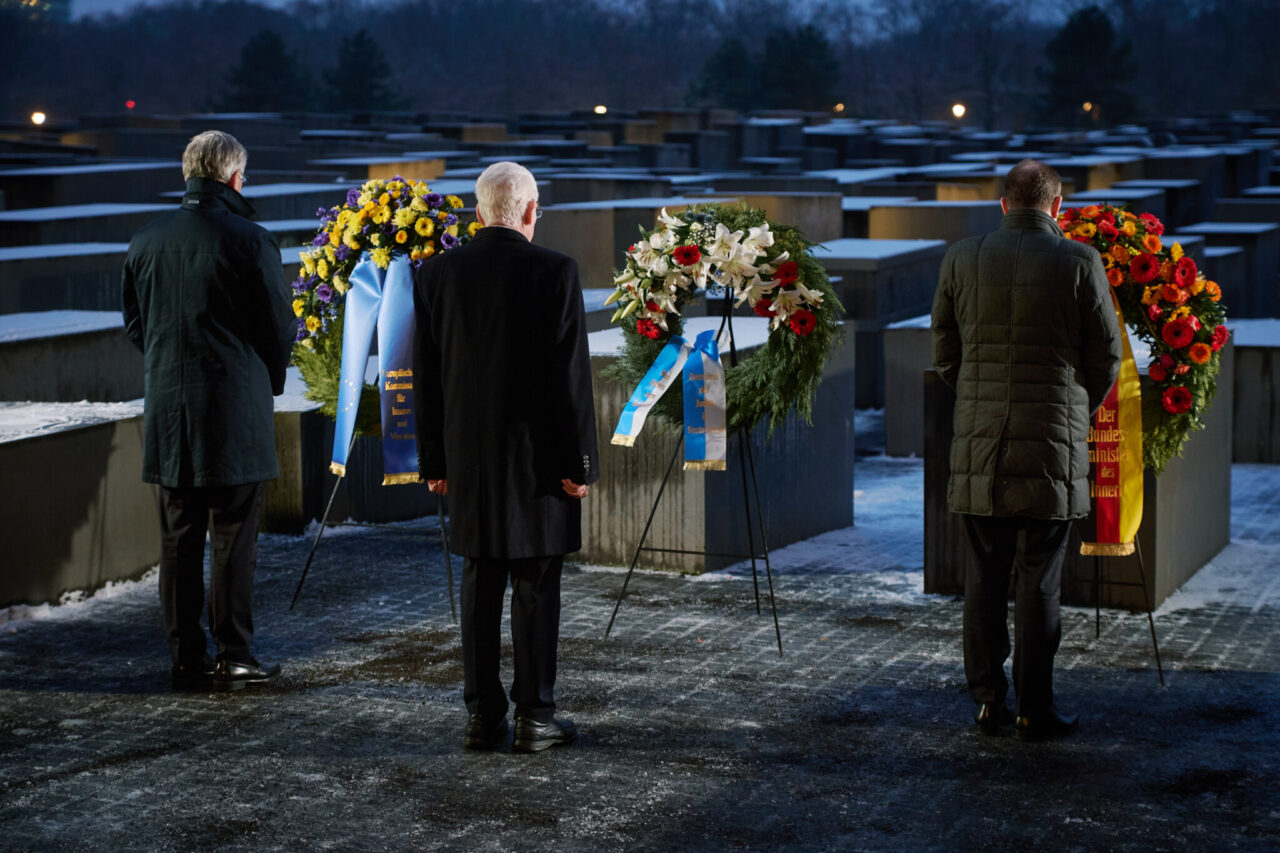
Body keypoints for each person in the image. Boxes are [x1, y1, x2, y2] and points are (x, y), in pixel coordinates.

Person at [931, 159, 1122, 741]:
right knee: (1039, 582)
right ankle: (1036, 708)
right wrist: (1072, 409)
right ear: (1057, 207)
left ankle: (989, 701)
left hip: (980, 447)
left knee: (984, 578)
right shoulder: (1080, 262)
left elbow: (945, 344)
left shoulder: (962, 258)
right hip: (1052, 451)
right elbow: (1106, 356)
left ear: (1004, 205)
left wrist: (974, 397)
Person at [413, 161, 599, 753]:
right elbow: (572, 380)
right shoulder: (556, 271)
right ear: (527, 211)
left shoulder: (438, 274)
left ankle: (481, 715)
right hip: (539, 463)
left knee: (480, 580)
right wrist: (580, 464)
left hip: (468, 461)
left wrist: (433, 461)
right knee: (536, 585)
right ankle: (535, 716)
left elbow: (426, 378)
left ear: (479, 211)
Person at [122, 130, 295, 693]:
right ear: (235, 177)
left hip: (170, 410)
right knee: (233, 537)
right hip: (233, 410)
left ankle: (185, 656)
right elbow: (276, 327)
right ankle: (235, 654)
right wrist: (268, 379)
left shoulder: (145, 240)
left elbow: (135, 326)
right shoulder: (250, 240)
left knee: (178, 539)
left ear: (187, 173)